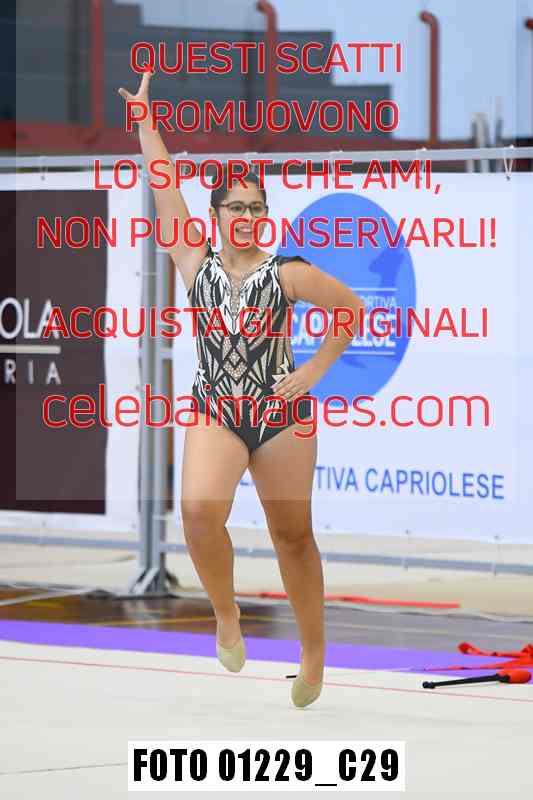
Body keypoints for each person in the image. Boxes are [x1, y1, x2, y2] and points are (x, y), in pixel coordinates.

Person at [118, 69, 364, 708]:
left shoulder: (287, 272)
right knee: (199, 511)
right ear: (216, 215)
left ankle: (313, 653)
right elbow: (164, 184)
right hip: (217, 408)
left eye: (258, 207)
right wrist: (146, 123)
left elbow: (350, 309)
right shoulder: (192, 260)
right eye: (238, 207)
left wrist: (312, 372)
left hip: (281, 416)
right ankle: (226, 616)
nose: (249, 216)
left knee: (293, 535)